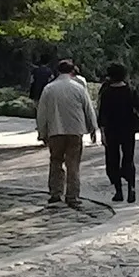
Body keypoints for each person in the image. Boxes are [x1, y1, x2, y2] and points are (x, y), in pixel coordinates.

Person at [34, 59, 97, 208]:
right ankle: (72, 195)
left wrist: (42, 132)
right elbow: (88, 109)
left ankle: (56, 193)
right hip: (75, 130)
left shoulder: (49, 89)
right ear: (72, 71)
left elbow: (41, 113)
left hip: (55, 131)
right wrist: (93, 128)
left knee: (56, 162)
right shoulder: (78, 88)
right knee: (73, 164)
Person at [98, 63, 139, 204]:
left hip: (112, 130)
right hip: (128, 129)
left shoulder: (106, 92)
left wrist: (102, 132)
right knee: (128, 158)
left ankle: (118, 191)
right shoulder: (130, 90)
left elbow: (102, 115)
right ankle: (132, 188)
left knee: (113, 159)